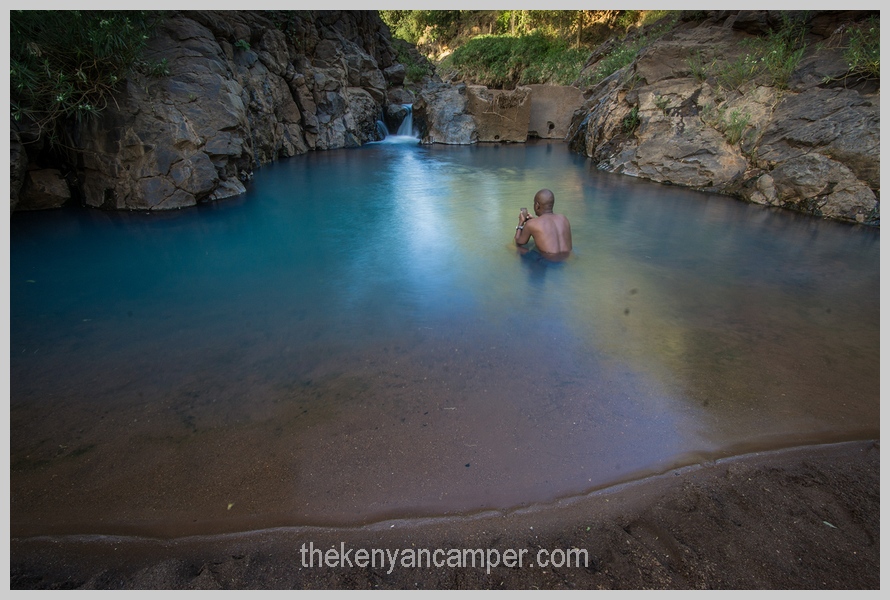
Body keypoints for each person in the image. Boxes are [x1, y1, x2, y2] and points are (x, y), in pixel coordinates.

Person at [513, 188, 572, 255]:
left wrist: (521, 222)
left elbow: (518, 242)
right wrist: (534, 220)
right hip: (567, 258)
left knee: (514, 247)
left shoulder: (532, 224)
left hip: (548, 261)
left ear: (537, 205)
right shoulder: (564, 219)